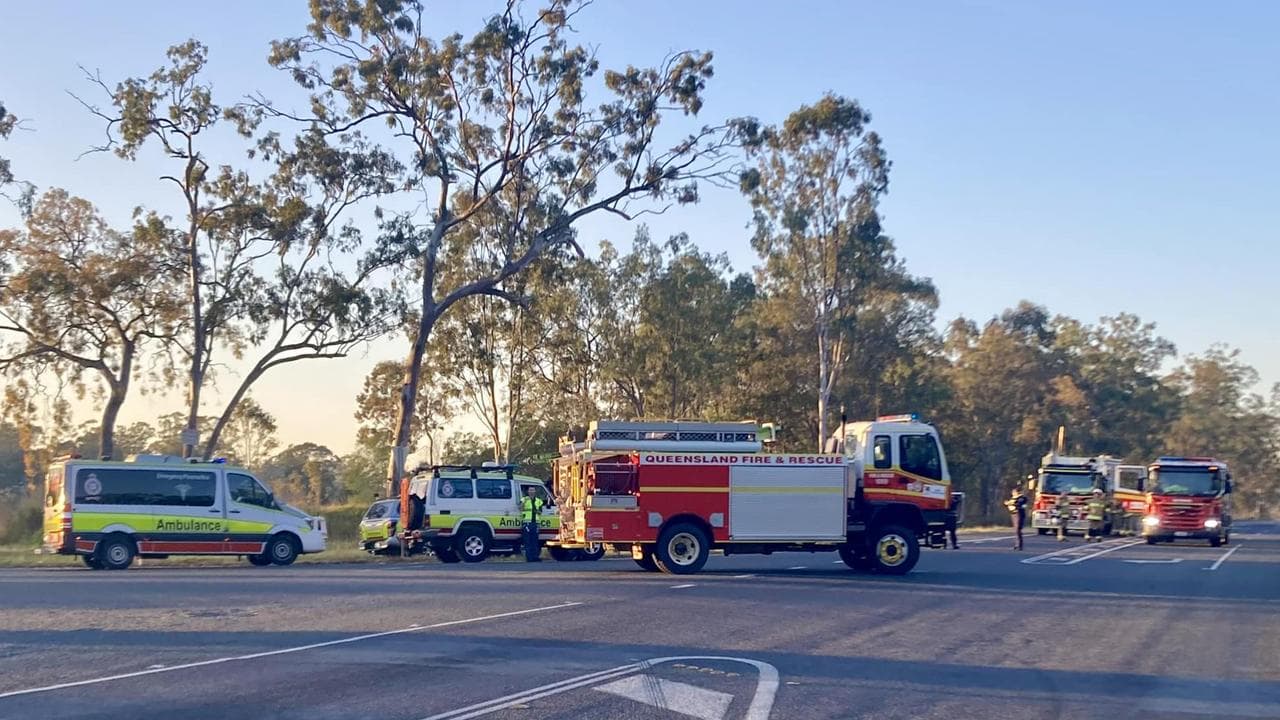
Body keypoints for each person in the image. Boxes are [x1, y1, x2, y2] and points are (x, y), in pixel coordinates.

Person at [519, 485, 545, 562]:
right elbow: (520, 508)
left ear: (535, 491)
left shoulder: (538, 501)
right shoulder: (524, 499)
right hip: (527, 523)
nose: (531, 492)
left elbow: (540, 512)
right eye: (530, 490)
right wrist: (524, 502)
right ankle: (529, 558)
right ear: (528, 491)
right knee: (527, 541)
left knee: (535, 541)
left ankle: (535, 557)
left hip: (535, 523)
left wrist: (535, 510)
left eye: (533, 490)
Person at [1005, 486, 1028, 550]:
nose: (1013, 493)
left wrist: (1011, 504)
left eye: (1014, 492)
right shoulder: (1013, 498)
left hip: (1019, 514)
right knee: (1016, 530)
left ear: (1017, 492)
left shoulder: (1022, 498)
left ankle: (1020, 545)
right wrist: (1008, 503)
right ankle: (1016, 544)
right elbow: (1010, 503)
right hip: (1013, 514)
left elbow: (1020, 504)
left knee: (1018, 529)